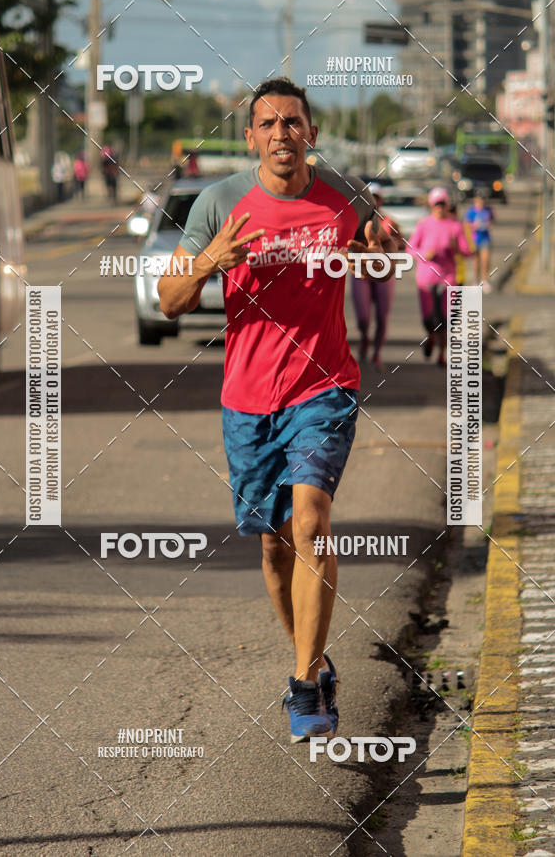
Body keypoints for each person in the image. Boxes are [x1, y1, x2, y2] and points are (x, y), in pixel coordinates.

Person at [158, 77, 395, 744]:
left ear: (310, 133)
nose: (281, 134)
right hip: (248, 399)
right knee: (272, 546)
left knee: (311, 524)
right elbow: (170, 298)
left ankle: (302, 685)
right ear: (251, 136)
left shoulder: (343, 195)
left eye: (293, 122)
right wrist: (209, 259)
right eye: (268, 124)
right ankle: (313, 660)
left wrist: (385, 250)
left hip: (324, 389)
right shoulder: (219, 202)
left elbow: (383, 254)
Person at [408, 187, 475, 366]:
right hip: (426, 278)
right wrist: (423, 254)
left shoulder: (455, 226)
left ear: (447, 205)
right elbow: (410, 247)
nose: (440, 207)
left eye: (443, 204)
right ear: (431, 205)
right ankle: (430, 337)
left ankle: (442, 354)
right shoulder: (423, 224)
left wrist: (458, 247)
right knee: (429, 319)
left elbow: (468, 252)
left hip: (448, 279)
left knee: (446, 320)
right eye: (436, 204)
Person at [350, 182, 404, 371]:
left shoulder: (390, 222)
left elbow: (401, 242)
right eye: (370, 198)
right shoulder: (355, 219)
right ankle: (365, 338)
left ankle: (377, 354)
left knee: (382, 315)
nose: (374, 201)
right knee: (363, 316)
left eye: (377, 198)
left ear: (381, 200)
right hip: (361, 271)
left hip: (384, 273)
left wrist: (393, 245)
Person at [464, 190, 494, 292]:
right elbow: (466, 224)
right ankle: (475, 281)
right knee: (476, 261)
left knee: (485, 261)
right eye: (479, 200)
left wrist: (489, 224)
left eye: (482, 200)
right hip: (475, 239)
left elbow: (493, 219)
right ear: (475, 200)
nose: (481, 203)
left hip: (485, 238)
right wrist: (473, 226)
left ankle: (484, 281)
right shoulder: (471, 211)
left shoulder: (488, 210)